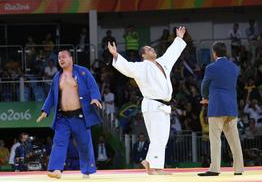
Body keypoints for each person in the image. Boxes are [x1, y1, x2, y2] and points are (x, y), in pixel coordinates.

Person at [108, 26, 187, 175]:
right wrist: (116, 55)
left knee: (162, 137)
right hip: (152, 104)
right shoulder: (142, 67)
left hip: (162, 105)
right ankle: (155, 167)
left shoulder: (163, 63)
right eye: (149, 50)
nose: (153, 50)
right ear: (143, 55)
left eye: (152, 49)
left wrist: (179, 39)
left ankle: (150, 162)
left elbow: (172, 53)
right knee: (158, 136)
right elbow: (128, 68)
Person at [36, 49, 102, 179]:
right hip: (63, 117)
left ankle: (87, 171)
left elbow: (92, 86)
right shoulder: (57, 77)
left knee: (84, 143)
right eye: (59, 57)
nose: (61, 59)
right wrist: (45, 110)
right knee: (59, 141)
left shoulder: (82, 72)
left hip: (80, 116)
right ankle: (56, 169)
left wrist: (95, 98)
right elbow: (51, 96)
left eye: (64, 57)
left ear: (71, 58)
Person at [198, 41, 244, 176]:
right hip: (231, 107)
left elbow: (204, 85)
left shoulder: (211, 67)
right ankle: (239, 169)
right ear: (226, 52)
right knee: (234, 139)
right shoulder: (235, 67)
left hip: (217, 106)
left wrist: (204, 97)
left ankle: (215, 169)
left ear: (214, 53)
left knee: (215, 139)